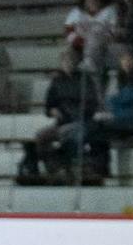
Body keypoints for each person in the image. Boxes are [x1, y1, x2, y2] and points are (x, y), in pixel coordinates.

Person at [19, 48, 102, 181]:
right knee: (41, 137)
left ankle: (66, 169)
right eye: (65, 61)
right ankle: (54, 168)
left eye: (71, 61)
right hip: (62, 121)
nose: (68, 64)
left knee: (68, 135)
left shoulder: (85, 80)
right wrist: (53, 110)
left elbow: (92, 103)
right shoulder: (57, 81)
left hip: (81, 121)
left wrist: (78, 111)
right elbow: (49, 105)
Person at [88, 49, 133, 175]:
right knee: (92, 129)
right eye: (124, 60)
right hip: (120, 121)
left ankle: (100, 169)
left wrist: (116, 111)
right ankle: (97, 167)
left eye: (130, 59)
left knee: (96, 131)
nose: (126, 63)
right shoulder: (123, 81)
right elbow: (110, 102)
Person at [66, 0, 120, 78]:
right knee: (67, 57)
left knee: (94, 36)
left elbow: (113, 32)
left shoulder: (109, 11)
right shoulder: (76, 12)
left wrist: (95, 40)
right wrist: (85, 43)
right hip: (80, 46)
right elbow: (69, 33)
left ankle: (90, 64)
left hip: (104, 45)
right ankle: (70, 83)